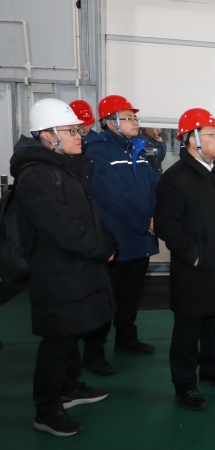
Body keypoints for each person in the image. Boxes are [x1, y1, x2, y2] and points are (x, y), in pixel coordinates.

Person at [11, 98, 115, 436]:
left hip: (74, 266)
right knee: (57, 340)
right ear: (47, 135)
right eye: (71, 131)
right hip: (55, 270)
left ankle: (69, 389)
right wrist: (102, 249)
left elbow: (86, 216)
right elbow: (63, 228)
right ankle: (46, 410)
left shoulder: (64, 168)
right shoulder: (36, 175)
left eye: (78, 130)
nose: (79, 136)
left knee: (72, 331)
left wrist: (105, 240)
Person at [154, 108, 215, 410]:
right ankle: (185, 384)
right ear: (193, 139)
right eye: (212, 135)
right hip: (195, 268)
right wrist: (192, 256)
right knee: (188, 331)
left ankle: (212, 369)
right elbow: (166, 224)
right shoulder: (175, 178)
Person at [82, 95, 159, 376]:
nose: (134, 122)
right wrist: (144, 221)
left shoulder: (138, 149)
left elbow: (155, 186)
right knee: (106, 297)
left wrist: (156, 216)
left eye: (135, 117)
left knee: (131, 293)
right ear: (110, 122)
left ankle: (127, 339)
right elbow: (113, 195)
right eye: (127, 117)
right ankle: (94, 352)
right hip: (116, 238)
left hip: (140, 237)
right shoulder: (97, 150)